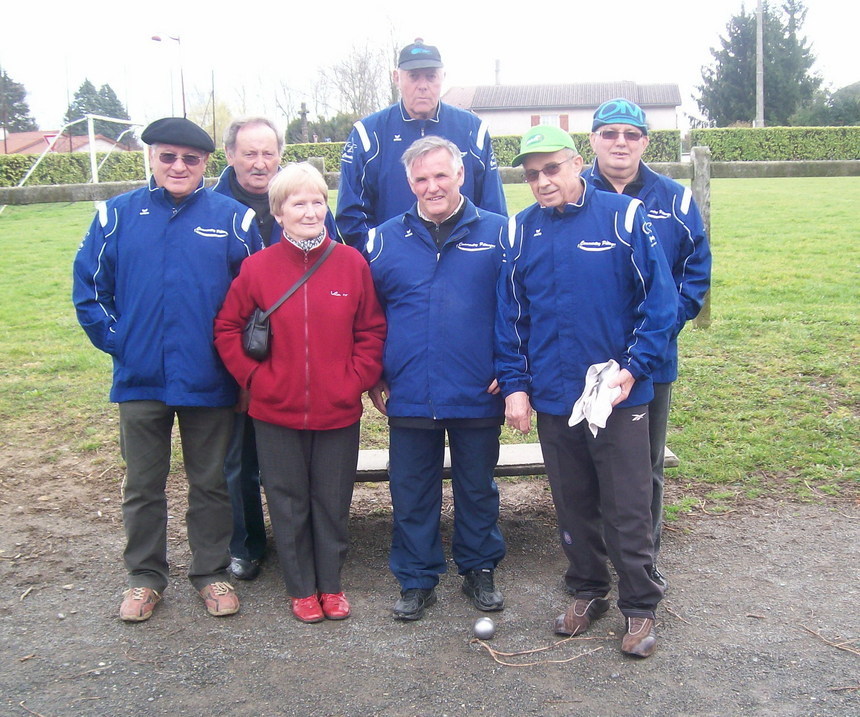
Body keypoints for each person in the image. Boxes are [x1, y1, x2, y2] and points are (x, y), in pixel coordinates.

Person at [496, 126, 677, 657]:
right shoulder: (519, 231)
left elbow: (659, 306)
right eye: (532, 174)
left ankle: (640, 605)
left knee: (627, 504)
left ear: (577, 163)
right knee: (573, 502)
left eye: (551, 168)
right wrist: (516, 387)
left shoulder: (624, 218)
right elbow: (511, 319)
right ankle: (587, 590)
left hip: (618, 395)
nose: (542, 181)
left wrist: (631, 369)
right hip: (554, 394)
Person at [72, 117, 263, 622]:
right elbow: (91, 290)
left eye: (191, 159)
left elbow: (257, 303)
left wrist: (237, 367)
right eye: (168, 156)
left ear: (206, 164)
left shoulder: (234, 219)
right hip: (140, 380)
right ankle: (144, 577)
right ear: (152, 158)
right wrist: (123, 343)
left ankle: (210, 572)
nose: (179, 166)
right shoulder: (115, 216)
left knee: (211, 483)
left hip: (209, 380)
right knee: (142, 484)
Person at [214, 163, 386, 623]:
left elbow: (371, 329)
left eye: (316, 201)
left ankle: (331, 583)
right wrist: (255, 380)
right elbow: (228, 328)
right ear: (279, 212)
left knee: (332, 501)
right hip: (275, 412)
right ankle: (300, 587)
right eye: (297, 203)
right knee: (287, 502)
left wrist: (356, 378)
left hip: (338, 411)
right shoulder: (257, 268)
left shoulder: (351, 263)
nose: (309, 212)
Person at [366, 136, 507, 621]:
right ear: (409, 183)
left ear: (461, 175)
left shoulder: (500, 234)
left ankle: (479, 568)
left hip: (477, 389)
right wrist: (374, 374)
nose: (432, 186)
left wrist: (508, 371)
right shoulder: (382, 240)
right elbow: (369, 317)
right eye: (422, 179)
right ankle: (416, 577)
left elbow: (517, 310)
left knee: (477, 486)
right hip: (408, 391)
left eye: (441, 175)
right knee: (410, 489)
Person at [583, 99, 712, 588]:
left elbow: (692, 279)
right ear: (592, 140)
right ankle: (591, 563)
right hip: (588, 359)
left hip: (651, 363)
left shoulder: (675, 201)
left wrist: (650, 341)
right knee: (589, 463)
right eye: (610, 133)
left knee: (644, 467)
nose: (620, 142)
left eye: (631, 135)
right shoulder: (574, 197)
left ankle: (642, 558)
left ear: (645, 142)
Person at [337, 39, 507, 251]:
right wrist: (380, 256)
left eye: (431, 76)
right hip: (393, 268)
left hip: (464, 263)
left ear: (442, 77)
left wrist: (476, 255)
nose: (423, 86)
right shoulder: (368, 134)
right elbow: (351, 215)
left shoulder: (473, 130)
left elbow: (494, 209)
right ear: (397, 78)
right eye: (414, 76)